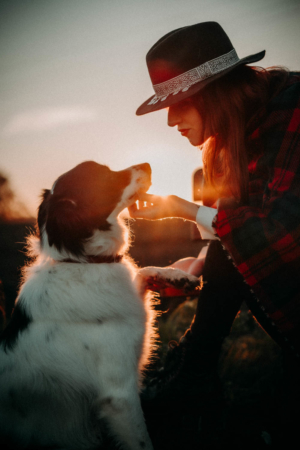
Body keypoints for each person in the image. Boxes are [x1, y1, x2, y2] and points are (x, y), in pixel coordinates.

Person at [129, 21, 300, 446]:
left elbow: (282, 234)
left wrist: (182, 209)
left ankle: (193, 376)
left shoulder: (294, 110)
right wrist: (197, 266)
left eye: (179, 102)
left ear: (215, 92)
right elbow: (240, 229)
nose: (170, 120)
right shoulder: (227, 142)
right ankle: (195, 377)